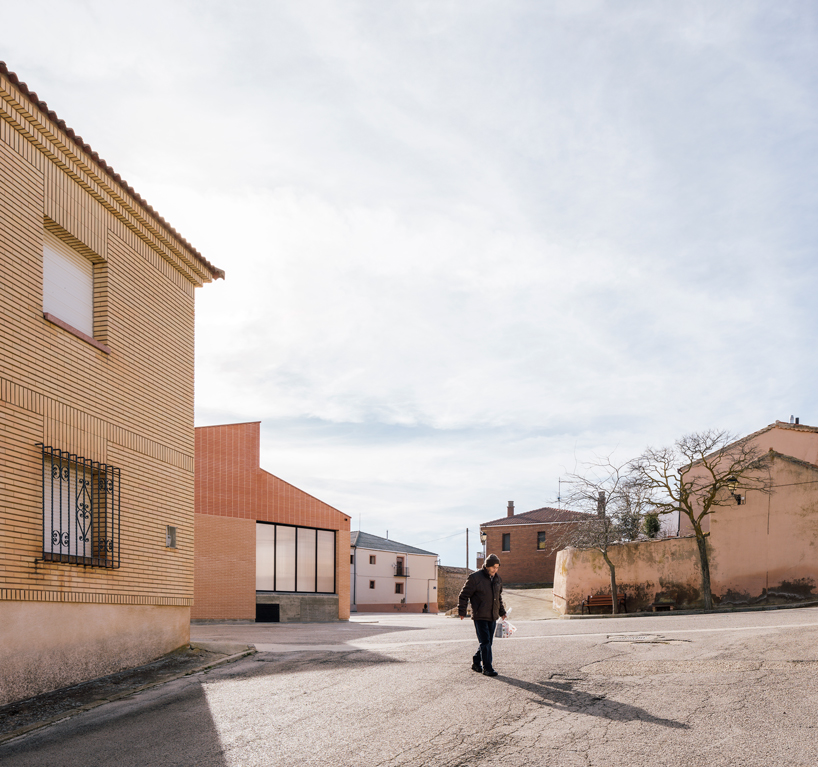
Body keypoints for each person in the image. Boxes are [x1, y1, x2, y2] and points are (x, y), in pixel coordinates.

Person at [458, 553, 506, 677]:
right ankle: (487, 668)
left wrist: (502, 612)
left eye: (497, 567)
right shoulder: (475, 578)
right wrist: (462, 611)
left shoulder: (497, 579)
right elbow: (463, 595)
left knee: (488, 643)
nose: (495, 570)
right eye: (493, 567)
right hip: (480, 616)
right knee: (485, 642)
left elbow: (498, 598)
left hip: (492, 615)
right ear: (487, 566)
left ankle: (476, 661)